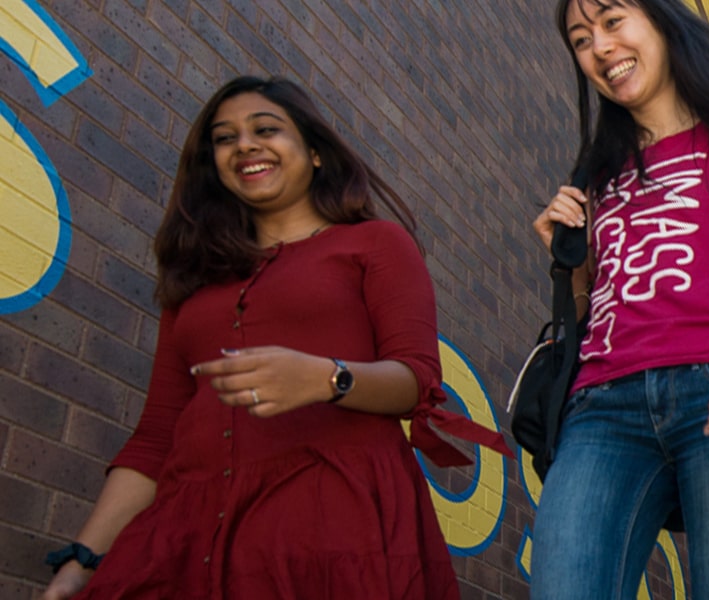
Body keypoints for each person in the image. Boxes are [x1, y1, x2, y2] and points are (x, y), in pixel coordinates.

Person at [38, 76, 507, 600]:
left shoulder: (374, 243)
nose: (245, 145)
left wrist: (327, 378)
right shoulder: (193, 282)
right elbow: (155, 436)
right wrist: (80, 562)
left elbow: (416, 380)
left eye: (266, 129)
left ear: (315, 153)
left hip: (328, 517)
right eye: (224, 138)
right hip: (187, 531)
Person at [528, 0, 709, 597]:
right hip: (603, 408)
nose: (600, 49)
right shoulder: (597, 170)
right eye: (581, 41)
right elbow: (594, 311)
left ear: (661, 20)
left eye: (612, 22)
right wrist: (572, 263)